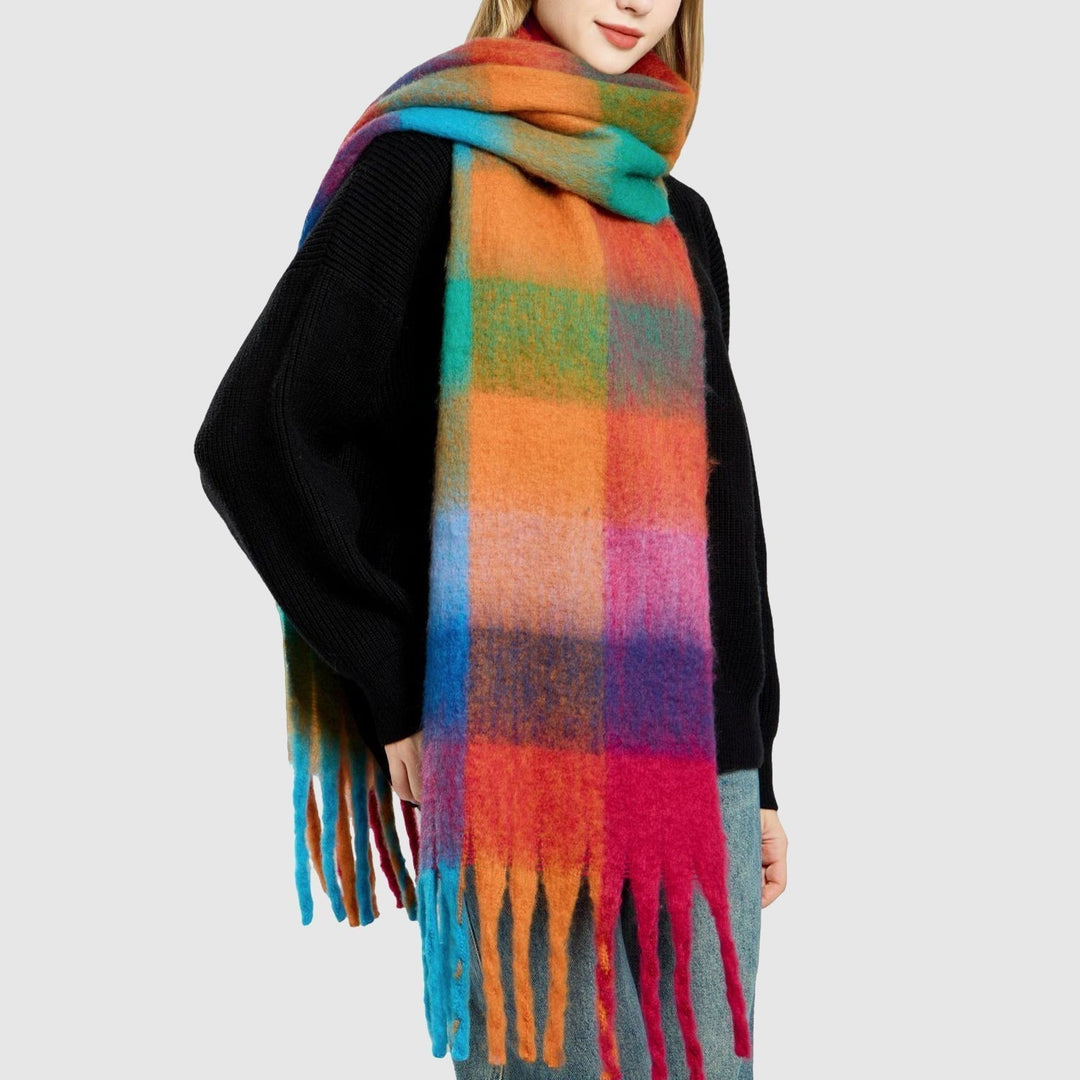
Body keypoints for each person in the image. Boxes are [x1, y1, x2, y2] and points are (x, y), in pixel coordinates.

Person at [194, 2, 787, 1077]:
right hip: (518, 758)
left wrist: (762, 774)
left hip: (698, 780)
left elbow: (723, 518)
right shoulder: (424, 168)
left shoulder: (675, 212)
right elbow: (258, 438)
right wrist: (396, 685)